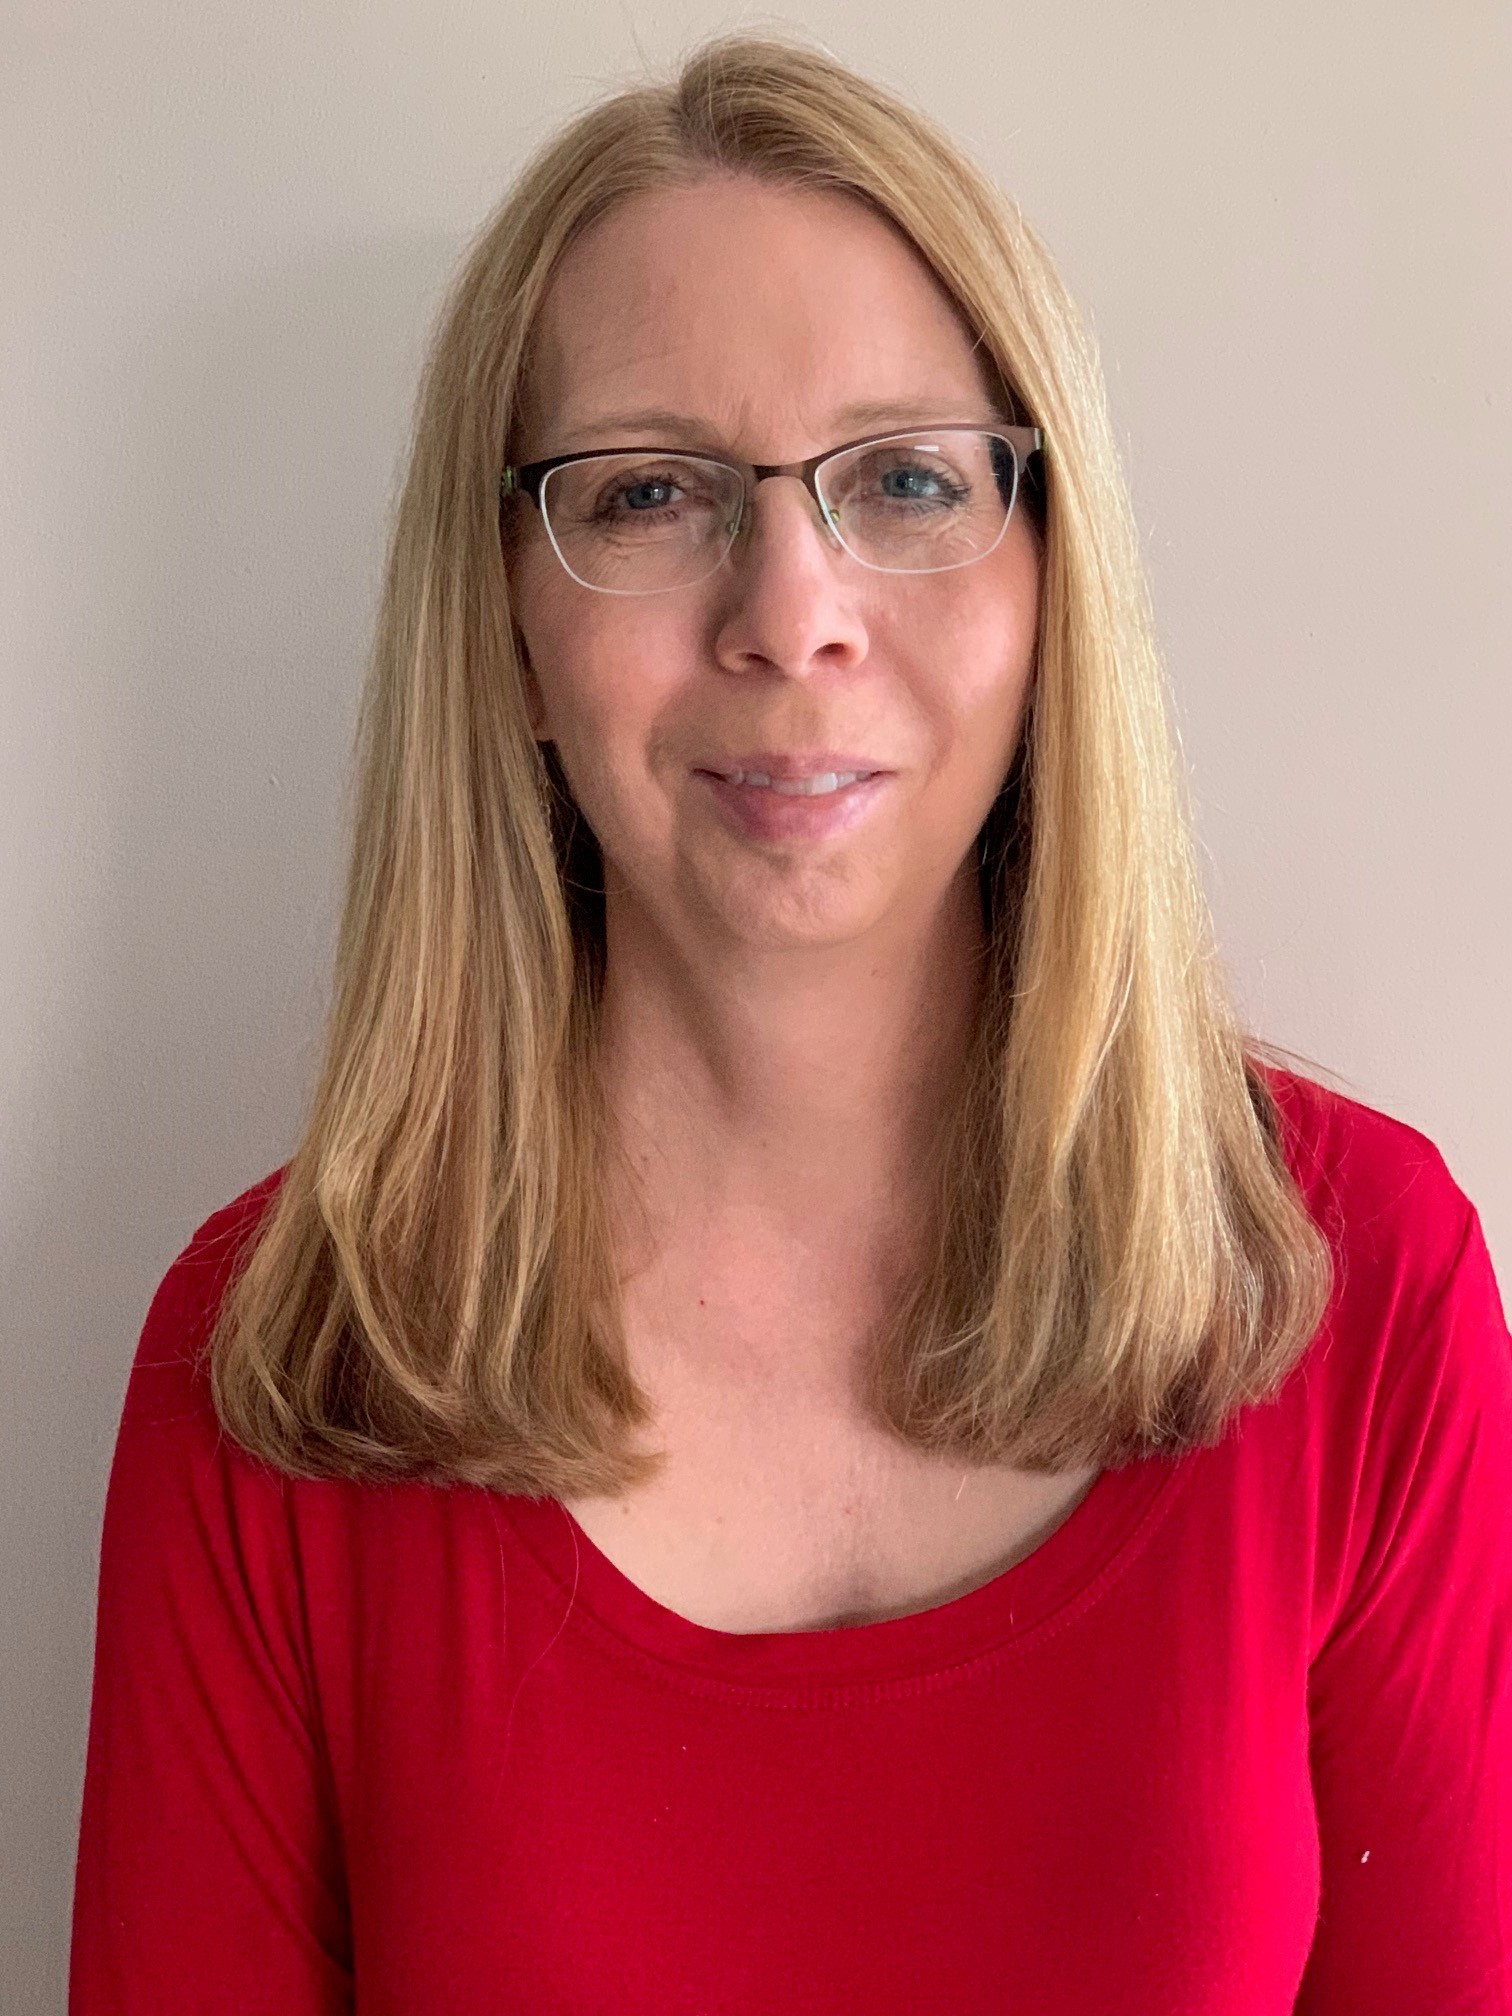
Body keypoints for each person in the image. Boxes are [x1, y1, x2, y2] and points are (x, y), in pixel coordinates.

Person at [69, 31, 1512, 2015]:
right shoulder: (283, 1367)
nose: (793, 609)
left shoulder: (1365, 1294)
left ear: (1049, 582)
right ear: (503, 627)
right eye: (652, 492)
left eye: (906, 478)